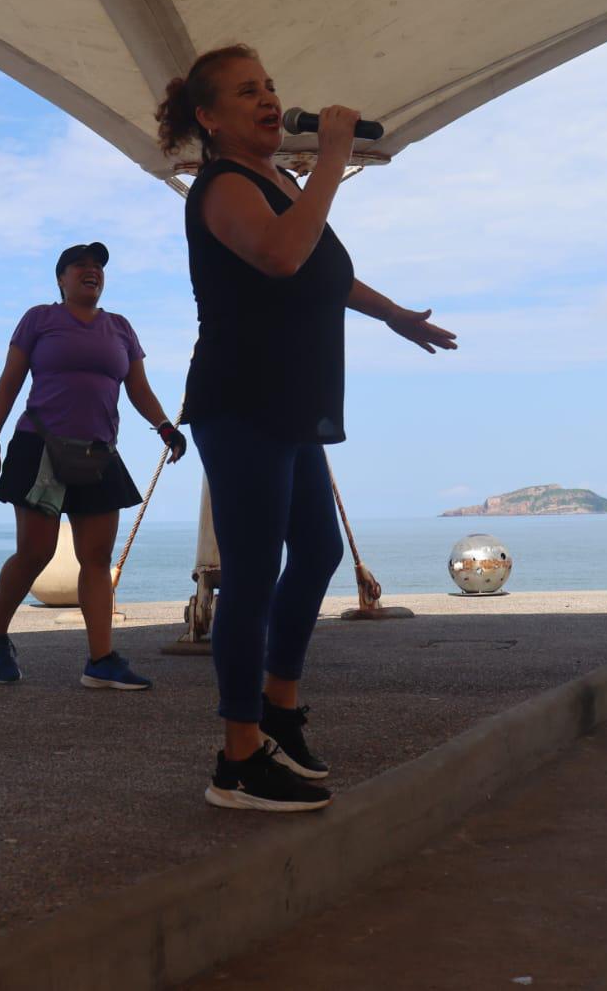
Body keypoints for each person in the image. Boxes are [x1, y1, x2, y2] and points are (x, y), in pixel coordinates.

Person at [156, 45, 458, 812]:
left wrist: (394, 316)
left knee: (319, 551)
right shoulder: (223, 187)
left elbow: (326, 269)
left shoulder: (282, 181)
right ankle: (237, 760)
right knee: (253, 573)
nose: (267, 100)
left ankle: (280, 712)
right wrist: (330, 156)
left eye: (271, 87)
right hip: (242, 397)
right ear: (209, 116)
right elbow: (283, 256)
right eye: (246, 92)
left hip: (293, 398)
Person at [0, 242, 186, 689]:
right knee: (37, 552)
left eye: (98, 267)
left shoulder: (120, 329)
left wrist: (166, 426)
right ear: (61, 279)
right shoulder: (40, 319)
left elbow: (138, 388)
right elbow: (9, 381)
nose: (92, 271)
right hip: (40, 446)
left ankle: (101, 661)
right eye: (80, 266)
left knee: (96, 558)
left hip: (98, 452)